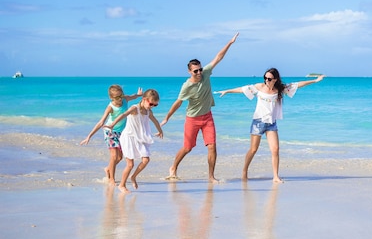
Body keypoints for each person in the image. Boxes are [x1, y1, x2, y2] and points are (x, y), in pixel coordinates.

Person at [216, 69, 324, 183]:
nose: (266, 81)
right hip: (258, 122)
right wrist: (227, 91)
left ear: (275, 79)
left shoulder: (280, 89)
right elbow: (242, 89)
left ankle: (276, 176)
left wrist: (315, 81)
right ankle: (244, 171)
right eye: (265, 78)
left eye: (269, 79)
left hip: (271, 123)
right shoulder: (259, 87)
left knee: (275, 149)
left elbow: (298, 84)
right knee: (253, 150)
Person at [161, 32, 239, 183]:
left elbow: (218, 58)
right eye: (195, 71)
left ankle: (211, 176)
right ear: (190, 72)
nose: (198, 73)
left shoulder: (206, 74)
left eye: (200, 70)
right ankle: (173, 168)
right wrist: (166, 117)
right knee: (188, 148)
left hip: (207, 116)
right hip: (192, 119)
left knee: (212, 146)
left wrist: (230, 43)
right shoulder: (187, 86)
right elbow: (178, 103)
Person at [81, 85, 143, 184]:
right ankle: (111, 179)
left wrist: (139, 95)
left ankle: (108, 169)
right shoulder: (110, 107)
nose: (120, 99)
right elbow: (101, 122)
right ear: (111, 98)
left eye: (121, 95)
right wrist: (89, 136)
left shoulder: (125, 99)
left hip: (121, 133)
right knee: (114, 156)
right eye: (117, 97)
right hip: (110, 132)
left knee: (120, 157)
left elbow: (133, 96)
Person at [106, 89, 163, 193]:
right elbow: (123, 115)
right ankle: (122, 185)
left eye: (155, 105)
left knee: (146, 160)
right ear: (144, 99)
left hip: (139, 138)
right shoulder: (134, 109)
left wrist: (160, 130)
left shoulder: (148, 111)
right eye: (151, 104)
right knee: (130, 164)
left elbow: (154, 120)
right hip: (128, 138)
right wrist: (112, 124)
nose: (152, 107)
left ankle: (133, 177)